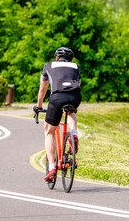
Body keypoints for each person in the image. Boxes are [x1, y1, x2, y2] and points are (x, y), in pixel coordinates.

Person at [33, 47, 82, 182]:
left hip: (57, 97)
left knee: (49, 132)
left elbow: (43, 88)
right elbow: (78, 83)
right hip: (75, 96)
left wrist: (39, 106)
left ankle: (53, 168)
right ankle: (74, 135)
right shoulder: (76, 67)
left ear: (56, 57)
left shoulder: (48, 65)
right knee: (70, 111)